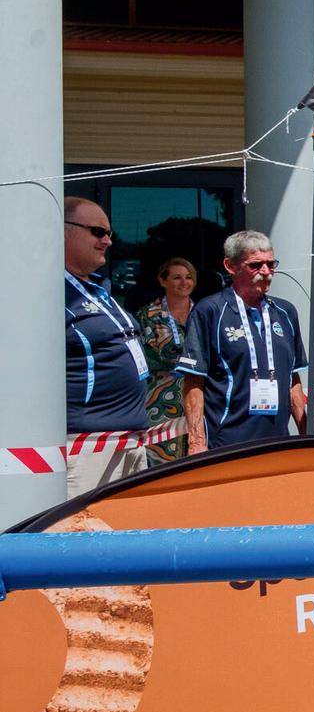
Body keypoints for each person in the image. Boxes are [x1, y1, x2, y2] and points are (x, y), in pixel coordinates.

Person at [178, 230, 307, 455]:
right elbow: (194, 380)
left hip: (278, 441)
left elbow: (293, 379)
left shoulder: (285, 312)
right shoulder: (210, 310)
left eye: (270, 264)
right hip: (227, 443)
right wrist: (197, 442)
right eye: (255, 265)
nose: (266, 272)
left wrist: (306, 435)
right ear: (230, 266)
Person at [61, 197, 154, 496]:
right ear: (62, 231)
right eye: (98, 232)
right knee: (80, 524)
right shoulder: (49, 292)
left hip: (129, 439)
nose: (108, 241)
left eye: (109, 233)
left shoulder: (99, 288)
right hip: (86, 446)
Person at [137, 256, 198, 463]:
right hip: (160, 397)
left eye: (189, 277)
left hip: (199, 393)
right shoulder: (148, 315)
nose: (184, 282)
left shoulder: (205, 312)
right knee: (160, 457)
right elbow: (148, 356)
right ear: (163, 281)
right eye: (177, 277)